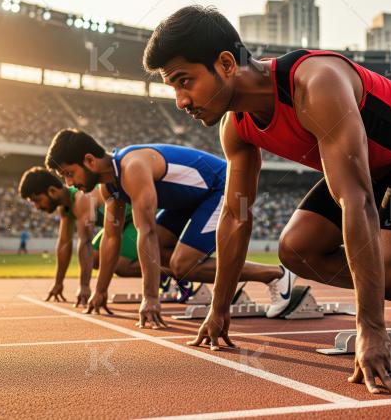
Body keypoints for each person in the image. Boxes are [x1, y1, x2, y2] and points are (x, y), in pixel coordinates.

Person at [143, 6, 391, 396]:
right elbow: (235, 215)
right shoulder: (236, 127)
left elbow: (356, 200)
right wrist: (220, 307)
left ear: (226, 63)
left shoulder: (315, 83)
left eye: (183, 81)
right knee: (296, 250)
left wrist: (371, 328)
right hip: (370, 169)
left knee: (390, 271)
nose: (180, 100)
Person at [44, 130, 296, 327]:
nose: (70, 184)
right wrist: (100, 291)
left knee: (181, 265)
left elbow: (147, 232)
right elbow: (112, 239)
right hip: (186, 202)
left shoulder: (132, 167)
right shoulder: (109, 188)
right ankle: (204, 281)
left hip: (221, 187)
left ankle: (274, 274)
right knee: (170, 256)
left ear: (89, 160)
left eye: (69, 174)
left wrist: (150, 298)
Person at [19, 167, 142, 306]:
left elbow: (86, 242)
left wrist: (84, 286)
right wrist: (58, 283)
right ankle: (163, 273)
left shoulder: (81, 198)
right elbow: (64, 243)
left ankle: (165, 275)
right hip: (120, 224)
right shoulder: (65, 208)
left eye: (37, 200)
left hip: (135, 217)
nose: (37, 206)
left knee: (119, 264)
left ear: (52, 191)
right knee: (96, 258)